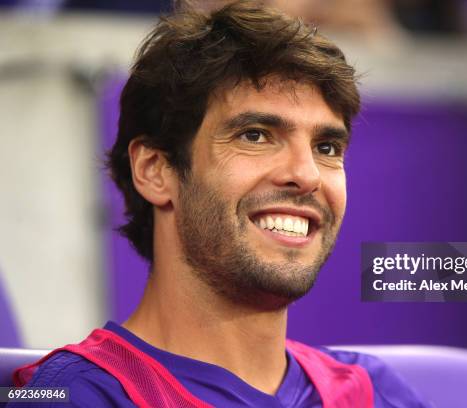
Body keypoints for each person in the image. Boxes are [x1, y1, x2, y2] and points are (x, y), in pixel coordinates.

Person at [10, 1, 430, 407]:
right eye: (255, 135)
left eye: (327, 146)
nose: (307, 175)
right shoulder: (74, 396)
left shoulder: (371, 391)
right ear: (156, 170)